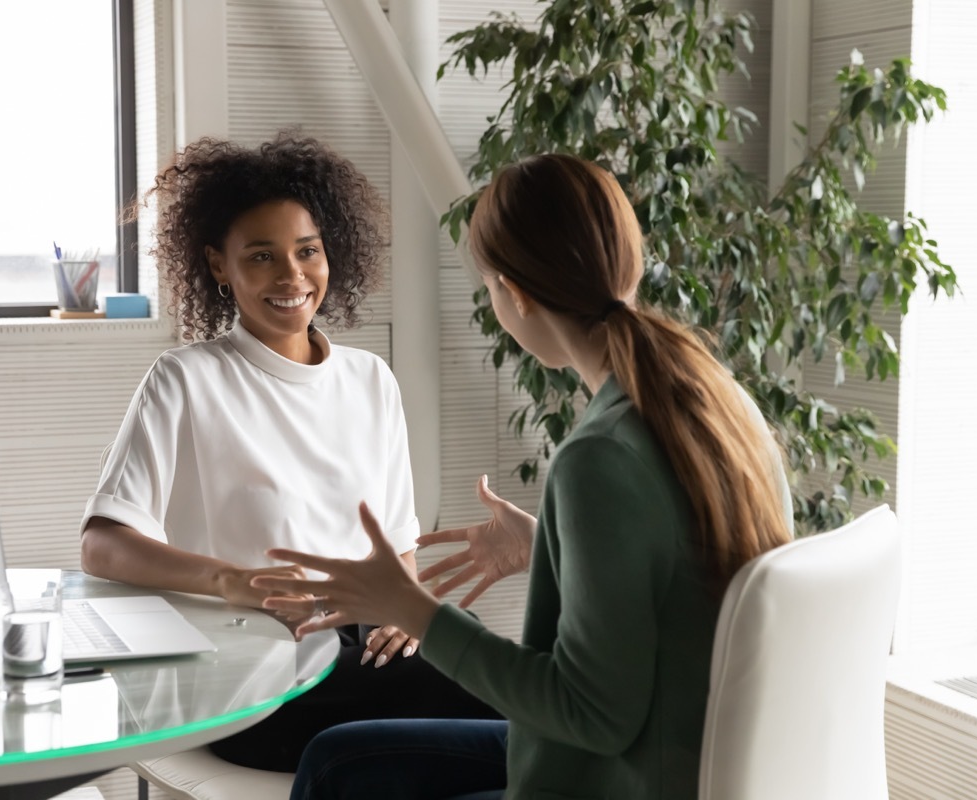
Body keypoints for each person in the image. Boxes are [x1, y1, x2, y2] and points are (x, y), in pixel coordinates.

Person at [252, 153, 795, 799]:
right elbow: (682, 578)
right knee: (339, 760)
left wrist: (415, 612)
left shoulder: (599, 456)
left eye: (487, 286)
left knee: (339, 780)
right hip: (675, 753)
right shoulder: (713, 395)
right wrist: (551, 549)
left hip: (620, 778)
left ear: (514, 294)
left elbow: (592, 715)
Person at [79, 131, 496, 773]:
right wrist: (232, 581)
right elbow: (102, 546)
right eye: (262, 257)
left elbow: (399, 546)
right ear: (219, 266)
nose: (291, 276)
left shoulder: (370, 380)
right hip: (255, 679)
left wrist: (410, 614)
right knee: (507, 706)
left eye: (307, 252)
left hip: (370, 656)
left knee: (496, 677)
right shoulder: (186, 380)